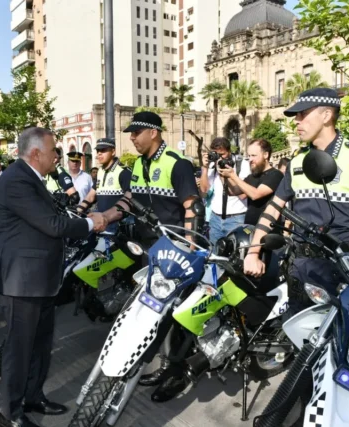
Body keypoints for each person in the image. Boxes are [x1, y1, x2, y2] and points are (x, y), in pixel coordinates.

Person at [244, 88, 349, 316]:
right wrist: (253, 251)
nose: (296, 122)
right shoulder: (297, 161)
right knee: (301, 339)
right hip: (301, 268)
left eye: (302, 114)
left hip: (347, 269)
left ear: (327, 116)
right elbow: (273, 208)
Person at [0, 127, 106, 427]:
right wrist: (90, 223)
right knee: (19, 349)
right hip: (21, 281)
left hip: (39, 278)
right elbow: (52, 225)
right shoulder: (16, 180)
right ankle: (11, 415)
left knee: (40, 344)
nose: (58, 156)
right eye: (54, 150)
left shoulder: (33, 178)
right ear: (36, 153)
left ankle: (33, 397)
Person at [100, 111, 203, 403]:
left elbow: (191, 206)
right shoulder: (140, 164)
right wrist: (106, 216)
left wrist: (189, 246)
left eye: (136, 132)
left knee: (176, 314)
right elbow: (129, 199)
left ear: (153, 133)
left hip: (175, 253)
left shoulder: (177, 163)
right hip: (148, 250)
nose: (131, 137)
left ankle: (178, 373)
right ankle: (162, 365)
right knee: (152, 313)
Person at [218, 138, 284, 226]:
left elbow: (255, 195)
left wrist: (233, 176)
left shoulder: (275, 175)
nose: (250, 159)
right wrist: (222, 174)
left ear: (266, 155)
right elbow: (233, 191)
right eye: (249, 156)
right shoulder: (252, 176)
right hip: (250, 228)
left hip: (268, 229)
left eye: (253, 155)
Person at [199, 137, 250, 243]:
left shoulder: (242, 165)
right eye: (216, 155)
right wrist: (204, 168)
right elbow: (204, 192)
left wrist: (225, 174)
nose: (219, 158)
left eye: (222, 155)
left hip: (236, 218)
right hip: (215, 218)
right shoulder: (213, 166)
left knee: (235, 255)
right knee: (215, 254)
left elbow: (243, 194)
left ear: (229, 151)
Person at [76, 137, 132, 231]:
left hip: (117, 226)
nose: (99, 153)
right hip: (100, 222)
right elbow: (91, 195)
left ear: (113, 152)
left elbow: (130, 200)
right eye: (98, 150)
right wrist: (78, 210)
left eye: (103, 150)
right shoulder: (100, 171)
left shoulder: (123, 172)